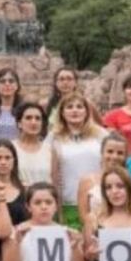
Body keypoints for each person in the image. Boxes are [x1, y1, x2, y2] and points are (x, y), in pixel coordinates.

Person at [50, 94, 109, 230]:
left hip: (98, 202)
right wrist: (57, 208)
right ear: (62, 113)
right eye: (69, 107)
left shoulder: (101, 134)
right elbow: (53, 175)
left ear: (87, 111)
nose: (75, 110)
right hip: (68, 202)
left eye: (79, 107)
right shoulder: (54, 137)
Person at [75, 134, 128, 229]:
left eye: (120, 153)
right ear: (102, 152)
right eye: (110, 151)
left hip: (124, 231)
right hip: (96, 232)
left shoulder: (130, 180)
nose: (114, 156)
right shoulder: (87, 181)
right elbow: (84, 216)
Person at [12, 103, 52, 187]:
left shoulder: (50, 150)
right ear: (19, 123)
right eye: (28, 118)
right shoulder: (11, 148)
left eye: (38, 119)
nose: (33, 122)